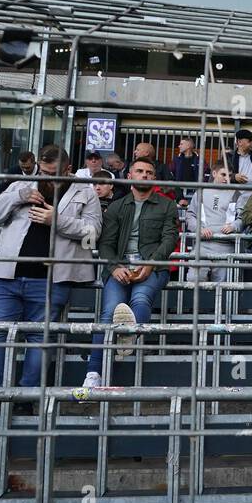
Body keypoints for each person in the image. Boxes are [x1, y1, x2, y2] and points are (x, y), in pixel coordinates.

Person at [0, 146, 101, 396]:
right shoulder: (20, 186)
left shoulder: (86, 192)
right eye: (43, 171)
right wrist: (18, 196)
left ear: (68, 169)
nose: (47, 177)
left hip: (51, 281)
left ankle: (27, 397)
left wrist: (55, 220)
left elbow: (92, 233)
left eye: (53, 172)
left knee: (39, 341)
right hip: (7, 276)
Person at [82, 157, 178, 389]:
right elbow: (106, 243)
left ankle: (128, 337)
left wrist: (150, 264)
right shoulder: (116, 206)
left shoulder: (167, 205)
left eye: (149, 172)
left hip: (153, 268)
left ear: (153, 177)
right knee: (108, 313)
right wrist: (115, 267)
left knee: (140, 298)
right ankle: (94, 372)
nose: (144, 175)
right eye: (140, 171)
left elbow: (169, 239)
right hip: (120, 268)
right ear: (131, 176)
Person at [184, 165, 240, 283]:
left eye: (229, 176)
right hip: (202, 245)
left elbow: (242, 218)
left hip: (226, 246)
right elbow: (190, 215)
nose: (227, 179)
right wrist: (199, 228)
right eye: (223, 175)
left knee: (223, 285)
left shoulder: (236, 193)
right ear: (214, 173)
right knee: (194, 279)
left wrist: (233, 226)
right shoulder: (201, 191)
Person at [172, 137, 201, 206]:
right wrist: (178, 194)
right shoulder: (176, 160)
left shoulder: (199, 160)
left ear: (188, 146)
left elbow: (205, 176)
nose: (179, 146)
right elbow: (171, 176)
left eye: (181, 144)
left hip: (194, 194)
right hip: (178, 194)